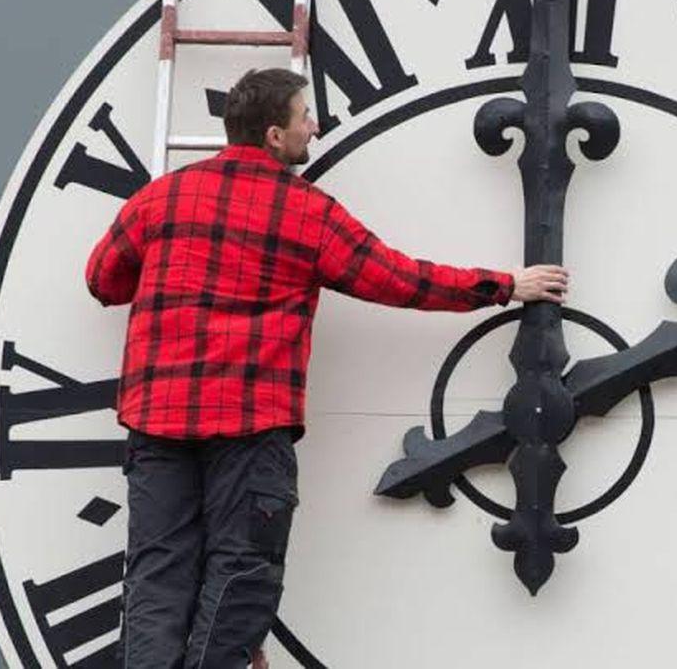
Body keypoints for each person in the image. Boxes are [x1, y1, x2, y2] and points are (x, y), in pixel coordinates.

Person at [85, 67, 569, 668]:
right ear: (273, 135)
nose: (313, 125)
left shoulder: (161, 198)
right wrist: (505, 285)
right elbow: (398, 279)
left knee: (157, 574)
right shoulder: (306, 213)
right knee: (242, 573)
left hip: (157, 424)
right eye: (303, 116)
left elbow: (103, 279)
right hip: (249, 430)